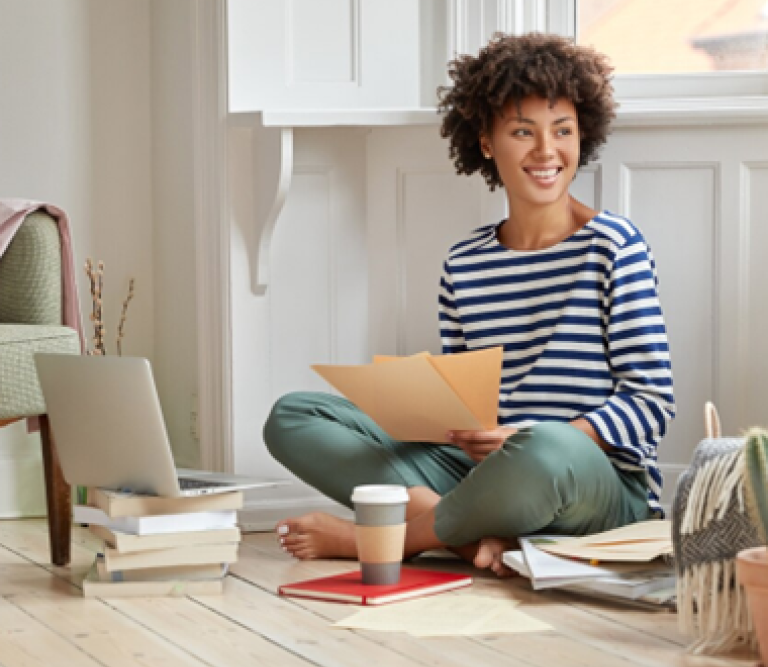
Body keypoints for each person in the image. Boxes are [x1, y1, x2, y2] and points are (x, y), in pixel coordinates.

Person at [263, 32, 675, 577]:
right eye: (522, 132)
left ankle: (386, 539)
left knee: (545, 447)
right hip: (483, 477)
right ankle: (466, 538)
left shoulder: (614, 246)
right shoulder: (465, 263)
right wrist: (438, 420)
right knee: (294, 416)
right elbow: (462, 405)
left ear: (584, 136)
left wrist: (527, 437)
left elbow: (652, 403)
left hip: (587, 479)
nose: (546, 151)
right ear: (486, 143)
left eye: (563, 131)